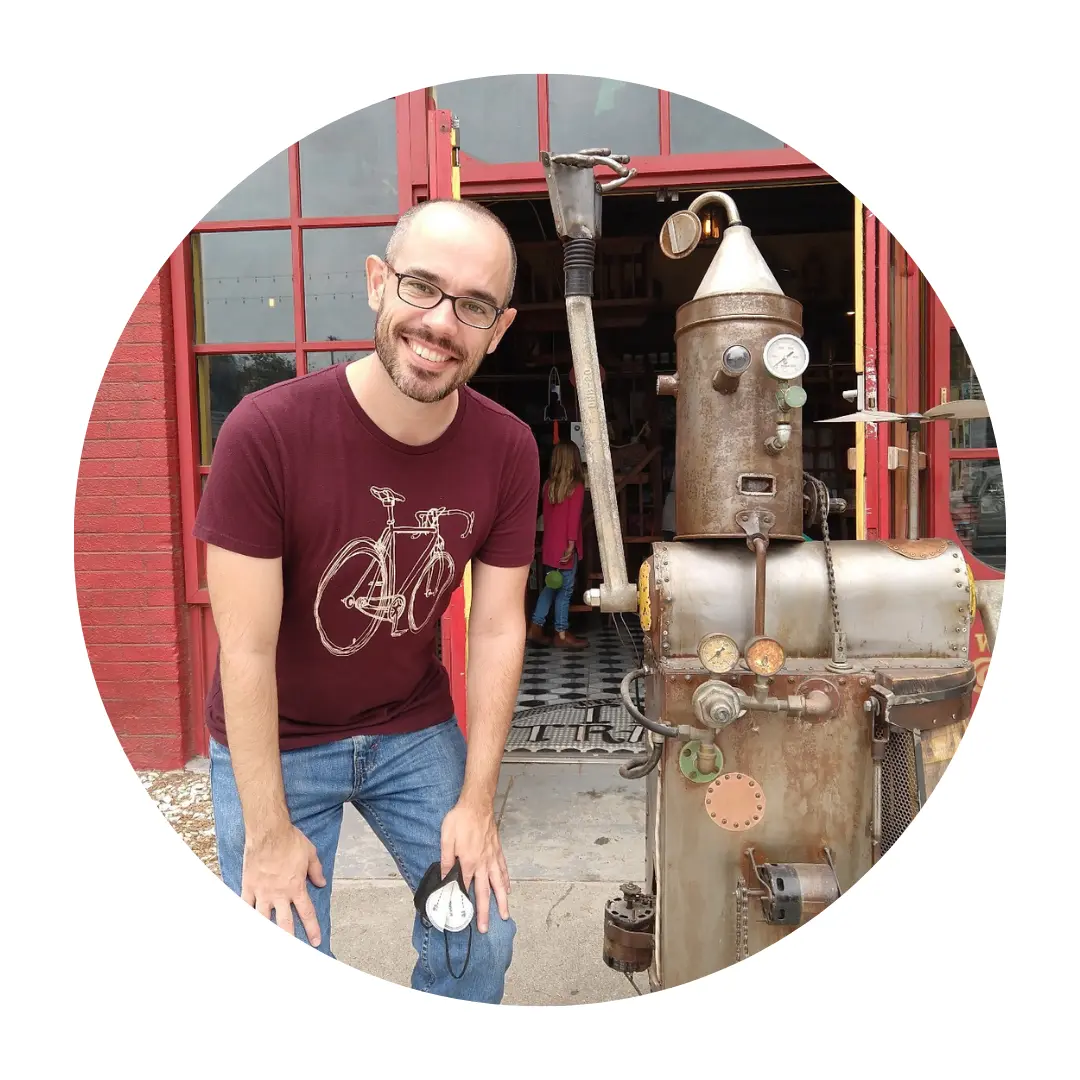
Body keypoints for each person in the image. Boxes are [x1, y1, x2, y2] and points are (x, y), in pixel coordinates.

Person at [192, 198, 540, 1004]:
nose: (441, 322)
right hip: (278, 739)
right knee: (282, 953)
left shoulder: (508, 449)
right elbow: (241, 650)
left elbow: (495, 628)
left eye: (474, 305)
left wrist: (477, 803)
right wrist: (269, 830)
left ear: (498, 327)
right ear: (378, 283)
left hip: (410, 729)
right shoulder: (266, 431)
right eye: (422, 286)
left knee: (479, 938)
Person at [527, 439, 587, 649]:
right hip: (565, 547)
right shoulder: (576, 487)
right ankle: (561, 632)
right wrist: (571, 545)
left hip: (550, 546)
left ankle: (536, 626)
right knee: (565, 590)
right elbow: (573, 519)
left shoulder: (548, 486)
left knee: (551, 587)